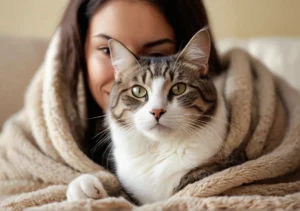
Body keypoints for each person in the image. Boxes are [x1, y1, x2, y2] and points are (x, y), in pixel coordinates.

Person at [59, 0, 222, 170]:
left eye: (156, 53)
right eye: (108, 51)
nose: (125, 68)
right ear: (78, 49)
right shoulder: (34, 142)